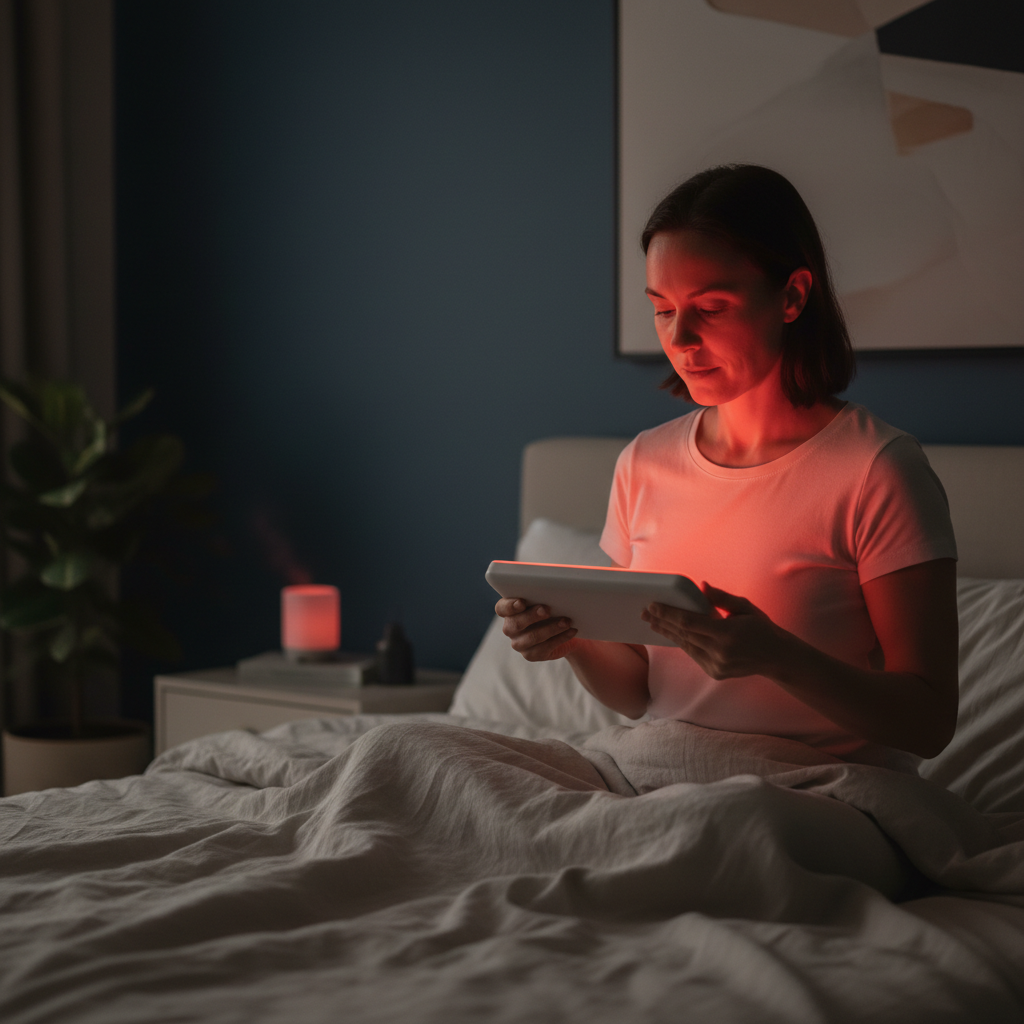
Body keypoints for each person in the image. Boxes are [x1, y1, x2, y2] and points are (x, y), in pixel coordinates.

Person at [496, 165, 958, 767]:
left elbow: (928, 723)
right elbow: (640, 691)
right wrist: (573, 640)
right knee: (407, 752)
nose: (681, 337)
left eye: (711, 307)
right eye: (663, 309)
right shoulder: (645, 463)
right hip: (659, 770)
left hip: (809, 791)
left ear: (792, 296)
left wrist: (777, 657)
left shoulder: (877, 471)